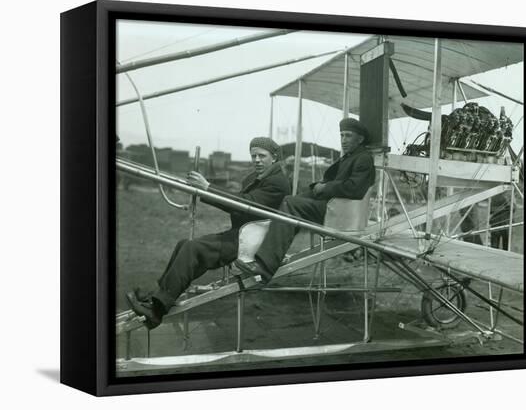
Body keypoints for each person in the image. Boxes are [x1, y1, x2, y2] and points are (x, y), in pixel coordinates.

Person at [126, 137, 290, 329]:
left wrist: (207, 188)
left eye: (262, 156)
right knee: (184, 244)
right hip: (244, 234)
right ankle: (156, 297)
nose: (257, 160)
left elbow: (245, 204)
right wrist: (206, 191)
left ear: (274, 157)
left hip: (256, 242)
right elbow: (239, 205)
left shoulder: (278, 182)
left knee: (193, 249)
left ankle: (156, 311)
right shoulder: (255, 178)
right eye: (253, 155)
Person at [235, 117, 376, 281]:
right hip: (336, 207)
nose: (343, 140)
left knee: (290, 204)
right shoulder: (352, 156)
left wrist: (325, 188)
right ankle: (270, 253)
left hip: (342, 214)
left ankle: (265, 266)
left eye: (348, 136)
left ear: (360, 139)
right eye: (342, 135)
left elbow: (355, 189)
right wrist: (317, 187)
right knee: (289, 201)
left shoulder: (363, 158)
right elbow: (339, 182)